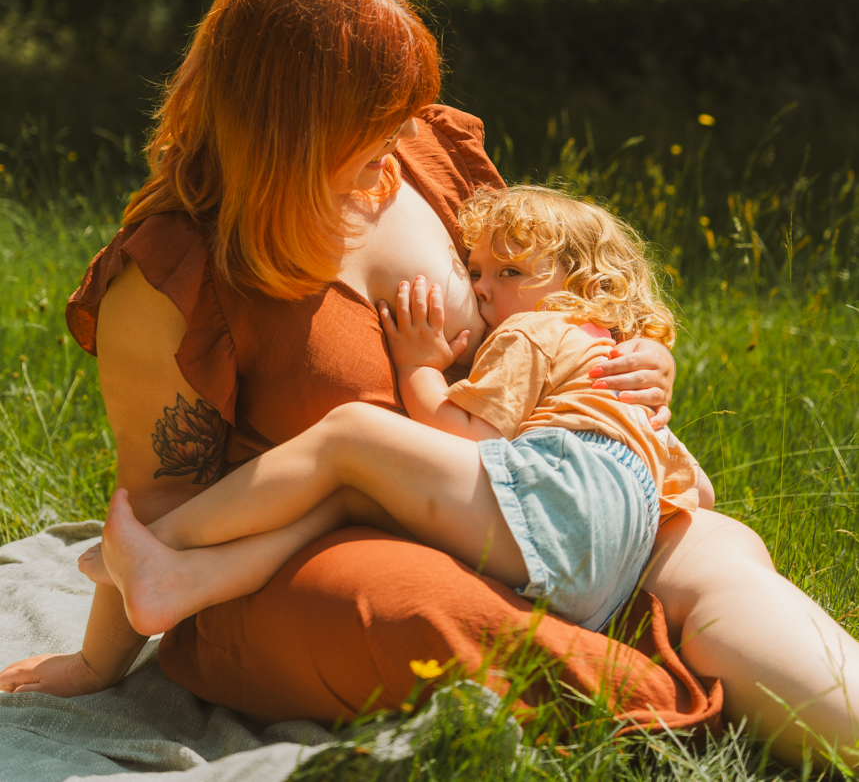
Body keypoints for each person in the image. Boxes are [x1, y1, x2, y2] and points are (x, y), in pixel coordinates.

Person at [0, 0, 855, 767]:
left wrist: (632, 357)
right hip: (290, 563)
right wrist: (97, 663)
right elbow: (155, 522)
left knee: (710, 555)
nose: (394, 139)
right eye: (367, 122)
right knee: (410, 607)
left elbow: (542, 295)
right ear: (285, 127)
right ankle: (659, 700)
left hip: (505, 488)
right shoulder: (172, 273)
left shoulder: (422, 154)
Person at [77, 185, 715, 640]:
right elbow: (700, 493)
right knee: (344, 501)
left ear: (584, 288)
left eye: (510, 271)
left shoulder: (537, 333)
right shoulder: (613, 371)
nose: (484, 288)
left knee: (350, 436)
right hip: (607, 573)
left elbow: (464, 436)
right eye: (476, 270)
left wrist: (419, 367)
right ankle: (182, 581)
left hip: (563, 517)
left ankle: (154, 545)